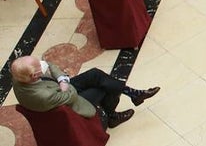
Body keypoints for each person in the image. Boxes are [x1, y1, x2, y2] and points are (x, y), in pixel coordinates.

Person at [8, 55, 159, 128]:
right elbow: (71, 97)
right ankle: (113, 116)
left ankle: (134, 94)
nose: (42, 66)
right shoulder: (42, 96)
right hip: (69, 104)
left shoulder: (20, 75)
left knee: (95, 74)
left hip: (59, 90)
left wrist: (61, 79)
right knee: (103, 87)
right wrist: (65, 85)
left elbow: (49, 65)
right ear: (34, 76)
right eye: (39, 69)